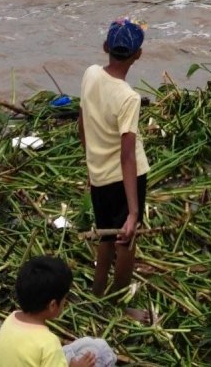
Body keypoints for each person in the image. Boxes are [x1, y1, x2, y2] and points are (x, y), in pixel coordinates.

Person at [79, 18, 150, 314]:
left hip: (99, 175)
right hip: (124, 180)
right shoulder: (128, 98)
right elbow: (128, 156)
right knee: (125, 239)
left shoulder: (91, 74)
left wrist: (90, 163)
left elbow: (81, 122)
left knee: (106, 235)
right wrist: (133, 213)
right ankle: (120, 304)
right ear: (138, 55)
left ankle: (97, 294)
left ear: (106, 47)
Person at [0, 255, 115, 367]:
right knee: (101, 352)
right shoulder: (48, 343)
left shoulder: (11, 318)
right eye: (64, 298)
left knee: (91, 344)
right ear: (52, 305)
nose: (65, 302)